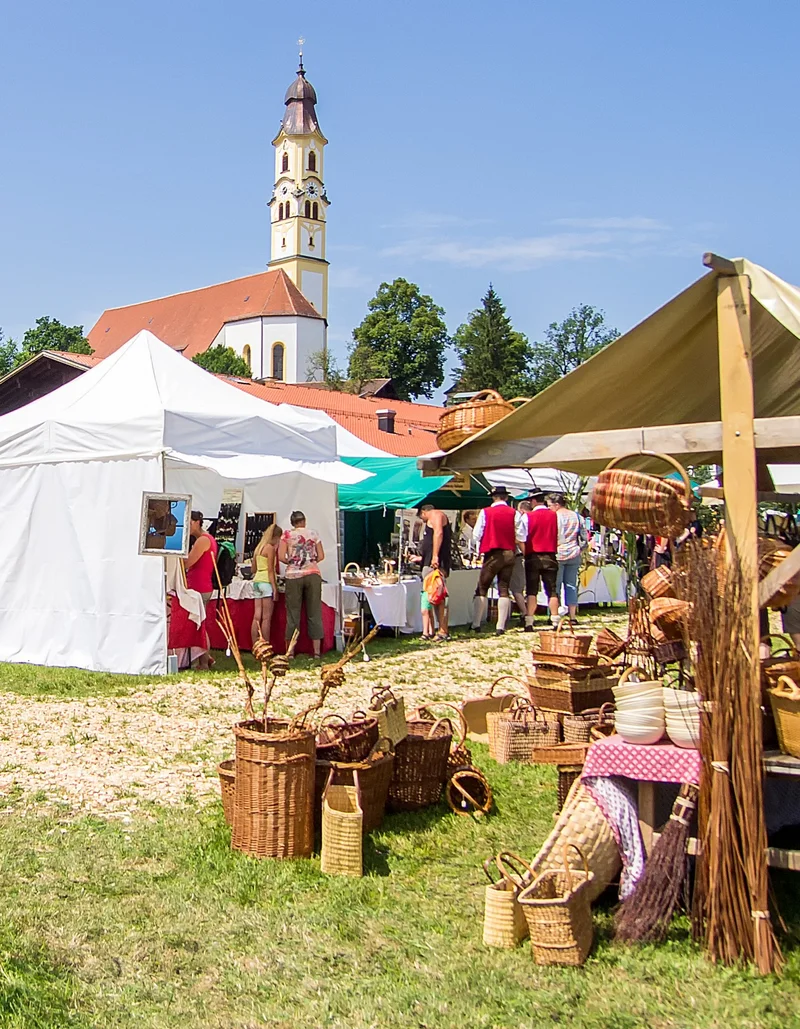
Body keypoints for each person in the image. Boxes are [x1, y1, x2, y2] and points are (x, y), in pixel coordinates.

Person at [471, 486, 527, 635]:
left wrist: (480, 547)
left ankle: (476, 624)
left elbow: (476, 534)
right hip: (509, 553)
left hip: (493, 553)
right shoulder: (514, 513)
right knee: (504, 588)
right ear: (506, 498)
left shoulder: (486, 512)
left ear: (493, 497)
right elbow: (521, 536)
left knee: (482, 587)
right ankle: (500, 626)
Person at [278, 510, 325, 659]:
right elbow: (321, 556)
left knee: (293, 614)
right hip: (312, 573)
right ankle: (316, 652)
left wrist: (292, 562)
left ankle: (290, 652)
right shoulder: (314, 533)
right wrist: (310, 562)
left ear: (292, 523)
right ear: (304, 521)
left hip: (293, 575)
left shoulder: (286, 535)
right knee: (314, 612)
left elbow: (281, 556)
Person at [184, 511, 219, 669]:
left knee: (200, 625)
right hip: (199, 585)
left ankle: (204, 661)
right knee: (198, 624)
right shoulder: (205, 539)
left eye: (190, 522)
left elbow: (188, 562)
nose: (188, 526)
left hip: (199, 586)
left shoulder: (203, 540)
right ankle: (206, 658)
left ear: (197, 522)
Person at [523, 490, 559, 631]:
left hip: (533, 555)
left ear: (533, 501)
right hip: (550, 554)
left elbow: (521, 536)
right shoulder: (554, 515)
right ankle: (555, 619)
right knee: (552, 590)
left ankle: (529, 621)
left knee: (532, 590)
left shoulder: (528, 516)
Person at [549, 493, 585, 624]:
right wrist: (580, 549)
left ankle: (555, 614)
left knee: (556, 585)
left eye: (550, 505)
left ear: (556, 505)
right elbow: (584, 537)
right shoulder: (577, 516)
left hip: (558, 553)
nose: (549, 508)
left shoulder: (555, 517)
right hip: (574, 552)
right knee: (571, 585)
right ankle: (573, 615)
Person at [419, 504, 452, 642]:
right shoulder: (433, 517)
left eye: (421, 518)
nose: (423, 521)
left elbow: (438, 533)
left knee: (439, 596)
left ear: (423, 512)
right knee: (431, 598)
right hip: (430, 562)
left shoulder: (436, 515)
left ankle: (443, 630)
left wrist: (435, 556)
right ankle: (432, 630)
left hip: (436, 564)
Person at [251, 523, 281, 647]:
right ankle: (265, 645)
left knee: (257, 616)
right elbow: (270, 570)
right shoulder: (270, 549)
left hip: (257, 581)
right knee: (266, 618)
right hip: (266, 582)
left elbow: (253, 569)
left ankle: (255, 644)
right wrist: (275, 588)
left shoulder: (259, 548)